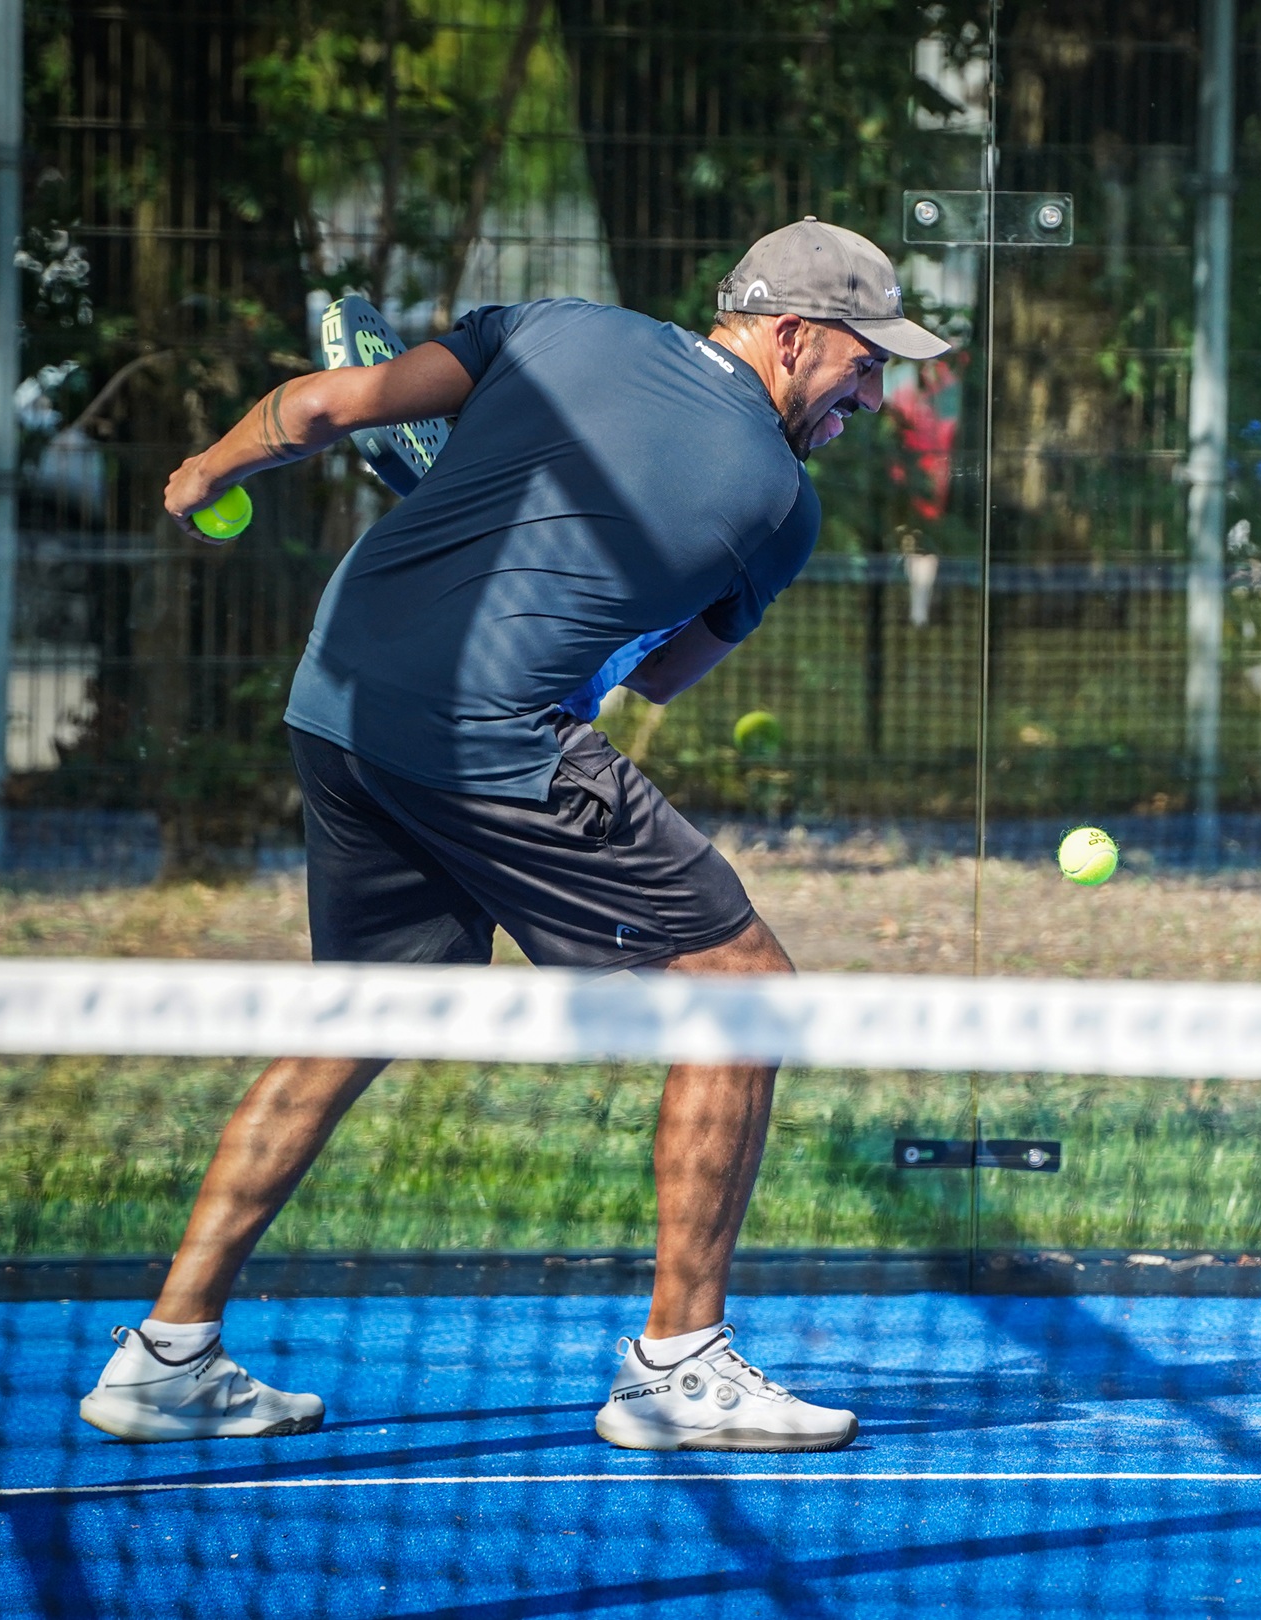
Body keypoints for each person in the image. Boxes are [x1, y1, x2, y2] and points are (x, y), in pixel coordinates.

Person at [76, 220, 951, 1453]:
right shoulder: (777, 507)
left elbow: (328, 408)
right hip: (485, 739)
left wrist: (205, 477)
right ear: (792, 334)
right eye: (863, 364)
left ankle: (167, 1355)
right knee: (743, 994)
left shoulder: (553, 328)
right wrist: (575, 638)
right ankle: (676, 1366)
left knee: (364, 1011)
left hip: (339, 702)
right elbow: (656, 682)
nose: (871, 395)